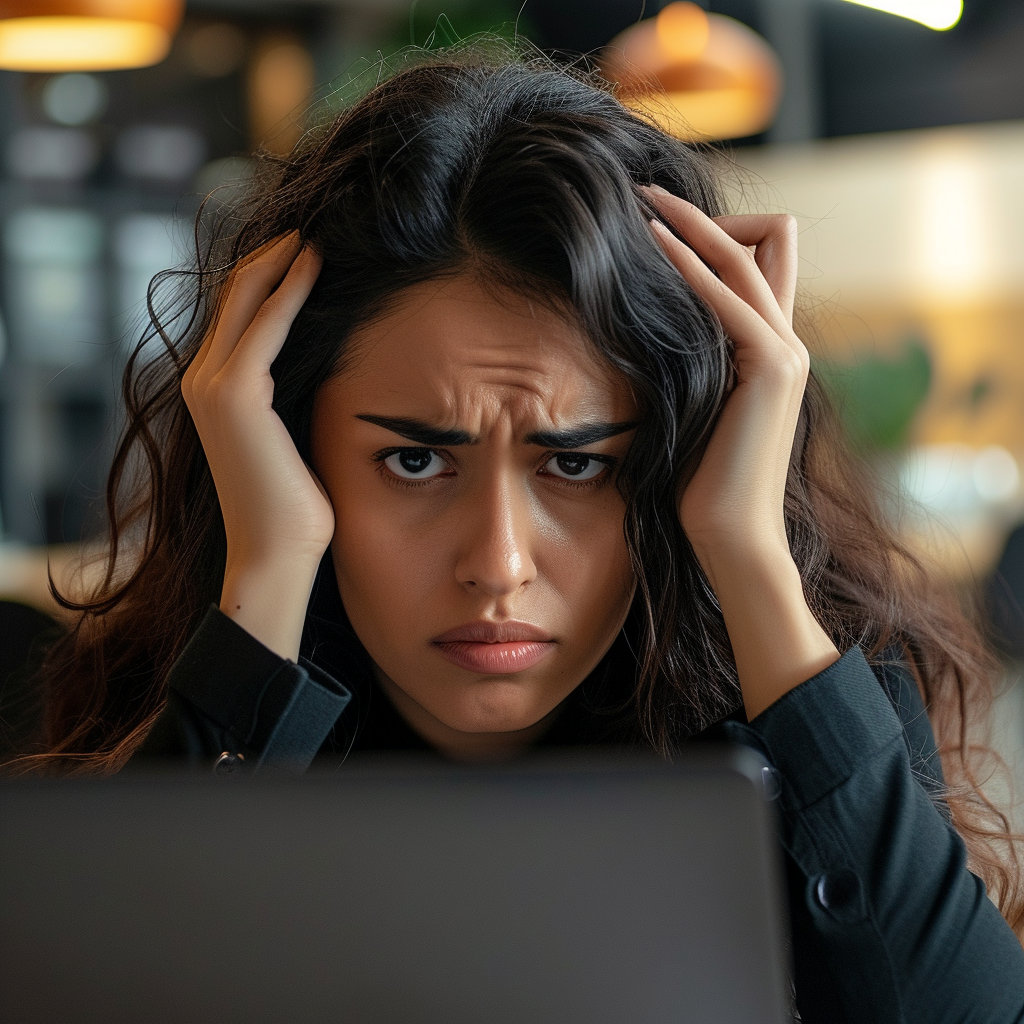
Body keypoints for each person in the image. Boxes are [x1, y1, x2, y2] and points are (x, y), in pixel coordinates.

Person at [9, 41, 1024, 1020]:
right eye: (413, 460)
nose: (496, 563)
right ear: (287, 446)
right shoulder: (153, 716)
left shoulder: (803, 704)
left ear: (672, 459)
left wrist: (749, 556)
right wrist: (265, 576)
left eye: (578, 463)